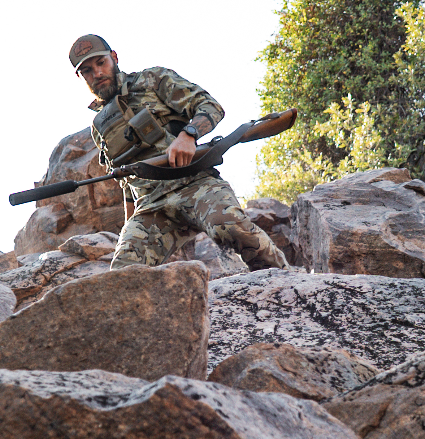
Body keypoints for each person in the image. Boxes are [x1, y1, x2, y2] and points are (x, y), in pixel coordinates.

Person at [68, 33, 288, 271]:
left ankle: (287, 281)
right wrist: (130, 227)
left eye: (101, 63)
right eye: (87, 70)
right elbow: (126, 181)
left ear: (114, 57)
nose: (97, 74)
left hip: (196, 184)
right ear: (80, 77)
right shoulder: (99, 127)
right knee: (123, 273)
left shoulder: (152, 80)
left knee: (230, 226)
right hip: (151, 207)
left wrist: (189, 135)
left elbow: (210, 106)